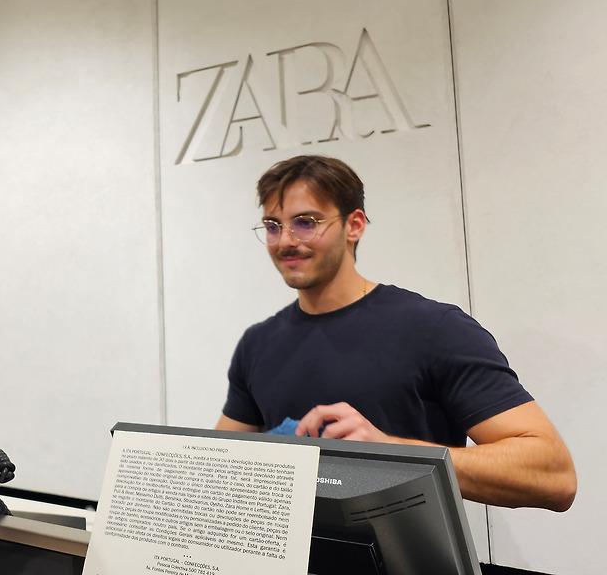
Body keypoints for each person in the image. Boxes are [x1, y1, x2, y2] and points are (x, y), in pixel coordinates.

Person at [216, 154, 576, 512]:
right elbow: (219, 468)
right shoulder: (257, 344)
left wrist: (392, 453)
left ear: (354, 225)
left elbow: (555, 476)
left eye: (305, 223)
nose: (285, 241)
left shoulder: (435, 328)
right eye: (273, 226)